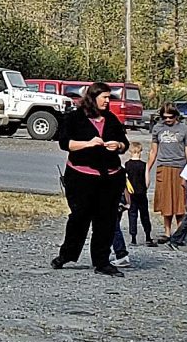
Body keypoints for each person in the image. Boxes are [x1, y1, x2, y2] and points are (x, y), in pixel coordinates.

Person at [49, 83, 128, 276]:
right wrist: (88, 143)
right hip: (81, 177)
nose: (108, 101)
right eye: (105, 98)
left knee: (106, 221)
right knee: (79, 218)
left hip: (110, 177)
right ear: (93, 98)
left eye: (109, 98)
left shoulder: (111, 119)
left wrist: (117, 145)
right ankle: (66, 254)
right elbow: (65, 143)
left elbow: (124, 143)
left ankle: (102, 261)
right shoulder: (74, 118)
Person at [150, 108, 187, 227]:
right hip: (163, 166)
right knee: (166, 203)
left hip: (180, 167)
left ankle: (179, 233)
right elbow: (153, 151)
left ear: (176, 116)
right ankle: (167, 232)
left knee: (180, 203)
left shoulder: (184, 129)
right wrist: (147, 169)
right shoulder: (157, 128)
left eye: (170, 117)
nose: (168, 120)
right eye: (165, 117)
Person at [120, 144, 153, 249]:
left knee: (132, 215)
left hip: (131, 194)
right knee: (144, 215)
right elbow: (147, 180)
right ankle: (148, 236)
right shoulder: (144, 165)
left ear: (130, 151)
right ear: (141, 151)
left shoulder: (127, 165)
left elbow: (125, 180)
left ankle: (133, 237)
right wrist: (145, 188)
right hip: (142, 193)